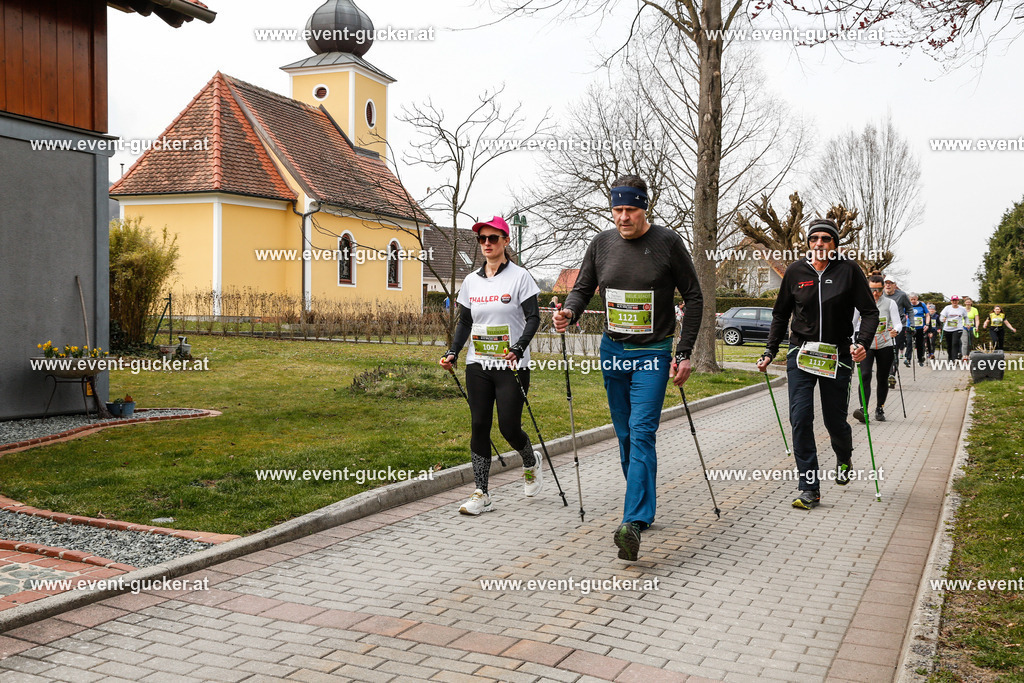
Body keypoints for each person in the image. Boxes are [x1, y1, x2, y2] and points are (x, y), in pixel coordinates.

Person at [554, 175, 703, 561]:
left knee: (641, 432)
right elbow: (583, 288)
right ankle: (644, 508)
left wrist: (684, 352)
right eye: (617, 210)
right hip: (613, 351)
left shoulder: (668, 243)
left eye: (630, 210)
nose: (623, 217)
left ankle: (631, 523)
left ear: (644, 208)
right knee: (624, 433)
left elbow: (694, 296)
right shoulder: (601, 244)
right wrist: (570, 311)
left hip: (653, 352)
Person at [757, 218, 876, 510]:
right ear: (808, 243)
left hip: (837, 355)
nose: (819, 244)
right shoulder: (796, 271)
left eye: (825, 239)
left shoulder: (849, 271)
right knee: (800, 418)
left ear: (835, 244)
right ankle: (809, 488)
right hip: (801, 352)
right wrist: (770, 351)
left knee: (834, 421)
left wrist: (861, 342)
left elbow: (870, 312)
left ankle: (844, 456)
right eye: (814, 239)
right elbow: (780, 314)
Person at [440, 216, 543, 515]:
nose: (487, 244)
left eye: (493, 238)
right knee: (479, 425)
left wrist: (518, 347)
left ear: (505, 241)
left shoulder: (520, 277)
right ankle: (481, 492)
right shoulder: (471, 281)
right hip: (478, 364)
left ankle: (529, 460)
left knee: (509, 427)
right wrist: (453, 352)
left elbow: (533, 317)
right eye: (482, 239)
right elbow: (466, 321)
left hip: (512, 365)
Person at [852, 274, 902, 423]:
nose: (875, 293)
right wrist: (851, 341)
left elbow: (898, 323)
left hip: (885, 345)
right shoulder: (859, 303)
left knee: (882, 378)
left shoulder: (890, 303)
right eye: (872, 290)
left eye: (879, 290)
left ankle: (880, 408)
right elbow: (852, 324)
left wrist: (896, 330)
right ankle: (863, 410)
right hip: (865, 345)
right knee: (865, 375)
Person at [883, 276, 911, 387]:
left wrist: (911, 324)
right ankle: (886, 374)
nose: (888, 285)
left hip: (898, 327)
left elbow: (909, 309)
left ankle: (892, 374)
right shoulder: (879, 295)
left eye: (891, 283)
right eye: (886, 283)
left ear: (895, 284)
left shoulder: (902, 295)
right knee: (886, 352)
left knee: (894, 350)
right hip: (883, 328)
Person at [905, 293, 930, 366]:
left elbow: (927, 315)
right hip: (910, 327)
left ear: (917, 298)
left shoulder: (922, 305)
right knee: (909, 343)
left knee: (919, 344)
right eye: (911, 299)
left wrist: (927, 324)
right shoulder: (907, 305)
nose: (913, 301)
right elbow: (903, 314)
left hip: (920, 327)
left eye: (914, 299)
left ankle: (920, 359)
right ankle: (908, 359)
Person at [939, 296, 966, 361]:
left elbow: (966, 317)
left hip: (958, 328)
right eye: (953, 300)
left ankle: (954, 358)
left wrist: (966, 324)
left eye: (956, 300)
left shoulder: (962, 309)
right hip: (947, 329)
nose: (954, 302)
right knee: (949, 344)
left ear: (958, 301)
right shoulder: (947, 308)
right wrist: (943, 319)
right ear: (951, 301)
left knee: (955, 343)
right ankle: (950, 357)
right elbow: (941, 318)